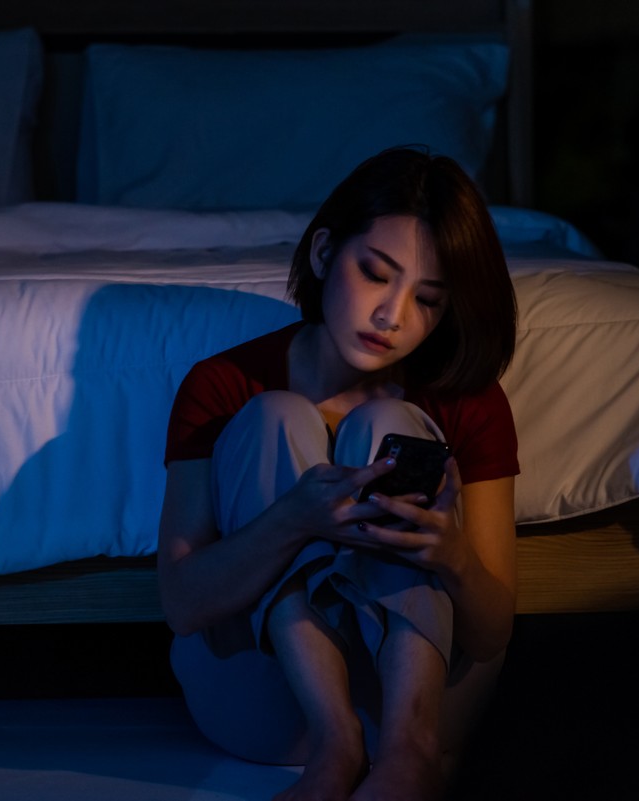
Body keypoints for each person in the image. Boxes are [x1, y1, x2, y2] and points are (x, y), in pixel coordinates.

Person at [158, 145, 519, 801]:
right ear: (324, 252)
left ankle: (408, 754)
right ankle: (334, 744)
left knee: (389, 424)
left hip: (423, 704)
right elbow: (182, 605)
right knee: (275, 417)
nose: (393, 317)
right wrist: (290, 521)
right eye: (376, 274)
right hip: (270, 702)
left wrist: (453, 557)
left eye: (427, 300)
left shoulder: (467, 402)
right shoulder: (222, 385)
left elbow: (493, 631)